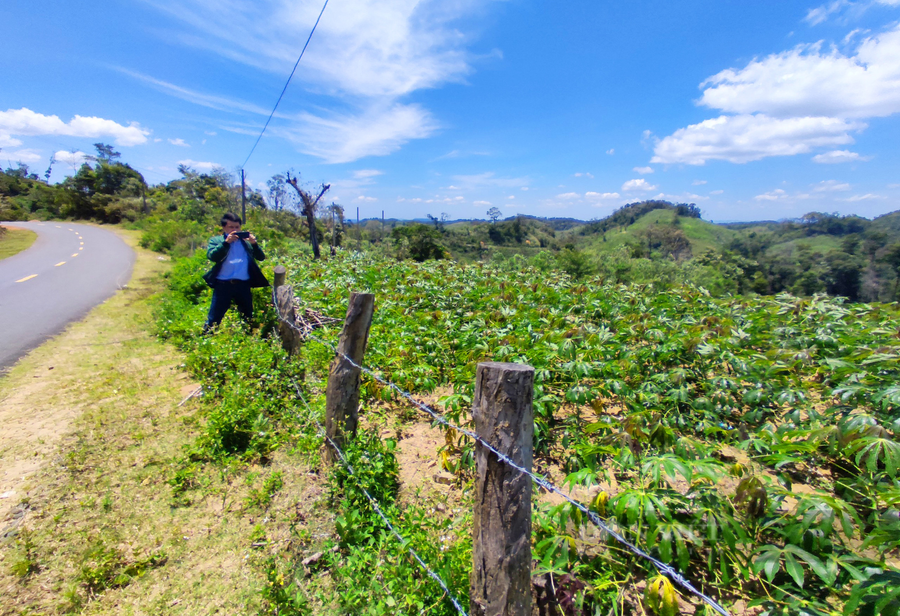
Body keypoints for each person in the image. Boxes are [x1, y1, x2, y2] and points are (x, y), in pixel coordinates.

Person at [202, 212, 269, 330]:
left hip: (243, 285)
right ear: (224, 228)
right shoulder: (216, 241)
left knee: (247, 316)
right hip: (223, 284)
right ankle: (205, 339)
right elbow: (213, 256)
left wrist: (254, 244)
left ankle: (247, 341)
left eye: (237, 227)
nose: (234, 230)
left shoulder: (246, 243)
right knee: (214, 318)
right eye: (231, 227)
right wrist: (226, 243)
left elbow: (261, 257)